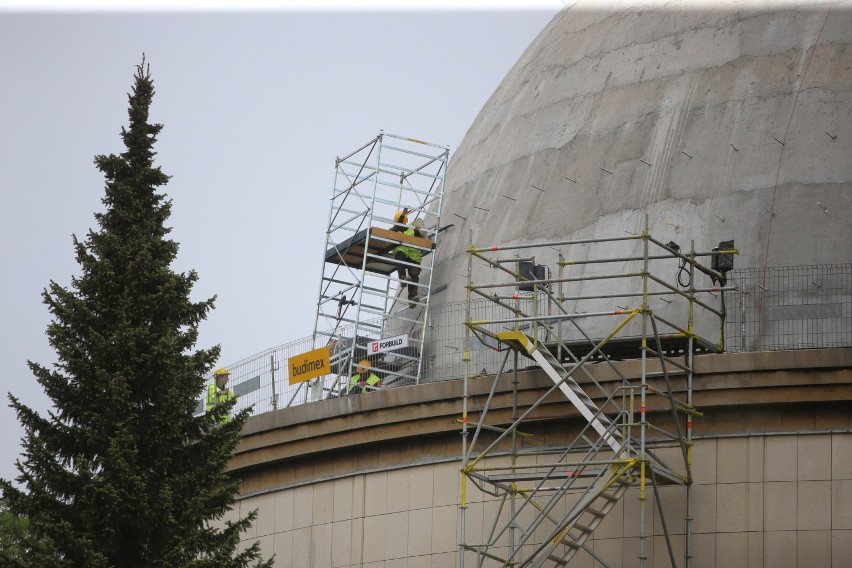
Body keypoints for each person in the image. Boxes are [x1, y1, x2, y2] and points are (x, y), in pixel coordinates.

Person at [391, 209, 425, 309]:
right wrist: (402, 216)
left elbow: (423, 240)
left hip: (413, 256)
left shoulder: (412, 229)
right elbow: (396, 227)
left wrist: (419, 231)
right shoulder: (394, 230)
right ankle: (402, 278)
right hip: (402, 254)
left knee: (414, 275)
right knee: (400, 257)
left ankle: (412, 298)